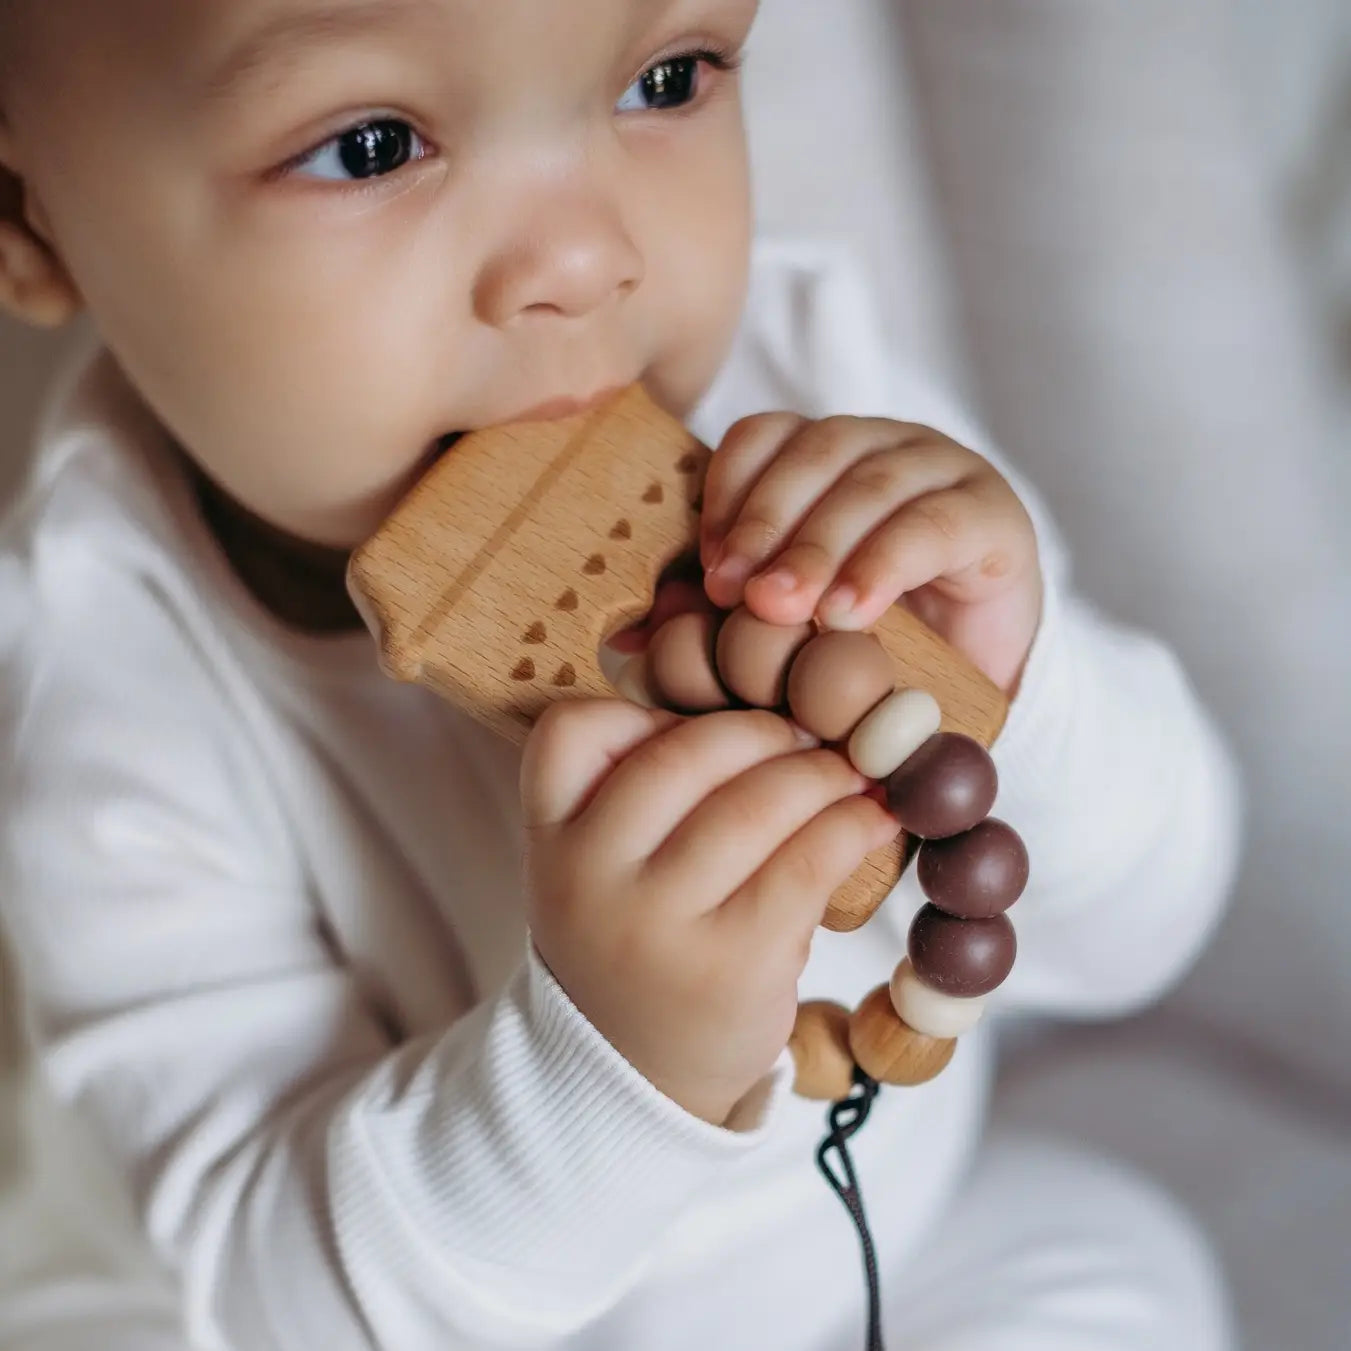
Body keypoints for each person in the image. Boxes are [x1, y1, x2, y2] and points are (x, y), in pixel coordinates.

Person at [0, 1, 1242, 1347]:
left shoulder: (815, 411)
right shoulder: (112, 669)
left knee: (1119, 1259)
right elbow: (273, 1290)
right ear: (31, 218)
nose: (587, 258)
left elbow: (1146, 936)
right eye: (370, 147)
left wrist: (1013, 702)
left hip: (878, 1246)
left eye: (667, 78)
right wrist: (608, 1055)